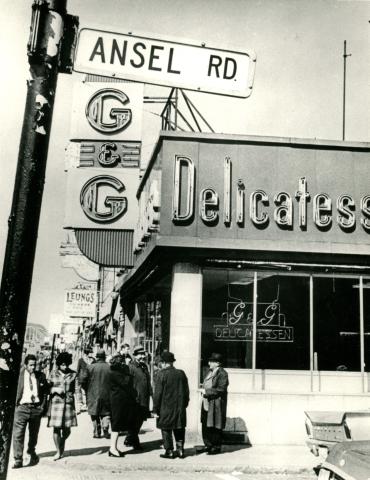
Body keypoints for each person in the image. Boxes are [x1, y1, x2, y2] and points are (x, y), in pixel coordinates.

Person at [12, 354, 49, 469]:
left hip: (35, 409)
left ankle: (31, 451)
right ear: (25, 365)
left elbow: (46, 391)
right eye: (31, 365)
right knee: (18, 435)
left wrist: (42, 407)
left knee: (34, 435)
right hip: (22, 408)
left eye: (35, 365)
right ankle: (18, 459)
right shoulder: (19, 376)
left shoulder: (40, 376)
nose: (33, 367)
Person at [153, 351, 189, 459]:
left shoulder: (161, 374)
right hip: (179, 407)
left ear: (163, 363)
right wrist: (184, 404)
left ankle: (169, 451)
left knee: (166, 428)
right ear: (172, 362)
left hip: (166, 407)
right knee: (179, 427)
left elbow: (157, 394)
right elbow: (186, 392)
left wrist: (155, 409)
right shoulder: (181, 373)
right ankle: (180, 450)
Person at [47, 351, 78, 460]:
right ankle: (58, 451)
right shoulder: (53, 373)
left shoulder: (73, 374)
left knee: (67, 430)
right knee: (56, 428)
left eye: (66, 364)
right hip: (56, 404)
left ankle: (61, 442)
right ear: (59, 364)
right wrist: (54, 389)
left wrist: (78, 404)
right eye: (62, 364)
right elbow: (46, 388)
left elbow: (76, 390)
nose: (64, 367)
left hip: (68, 404)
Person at [106, 354, 137, 457]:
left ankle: (113, 448)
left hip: (117, 401)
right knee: (116, 424)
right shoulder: (115, 373)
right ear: (119, 363)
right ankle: (112, 448)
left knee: (117, 424)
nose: (124, 364)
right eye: (123, 362)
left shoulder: (114, 372)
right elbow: (126, 382)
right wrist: (129, 371)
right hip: (117, 402)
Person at [201, 352, 229, 455]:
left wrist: (207, 392)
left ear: (217, 363)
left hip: (216, 403)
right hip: (207, 402)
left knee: (216, 424)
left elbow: (221, 389)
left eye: (211, 361)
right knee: (205, 424)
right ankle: (208, 445)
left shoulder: (223, 373)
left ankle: (216, 447)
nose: (209, 363)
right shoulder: (210, 372)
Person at [125, 345, 151, 450]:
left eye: (143, 354)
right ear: (135, 355)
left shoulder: (144, 366)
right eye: (140, 354)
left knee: (140, 420)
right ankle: (135, 442)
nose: (142, 356)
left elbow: (147, 381)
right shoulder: (131, 367)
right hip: (135, 399)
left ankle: (129, 438)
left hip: (144, 398)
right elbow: (128, 383)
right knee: (135, 421)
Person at [81, 348, 111, 439]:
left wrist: (87, 389)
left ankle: (96, 431)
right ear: (104, 357)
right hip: (107, 394)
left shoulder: (90, 367)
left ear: (97, 357)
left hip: (92, 394)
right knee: (106, 412)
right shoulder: (110, 367)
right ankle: (105, 428)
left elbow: (82, 380)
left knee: (94, 413)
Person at [75, 347, 94, 413]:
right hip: (83, 379)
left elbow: (78, 370)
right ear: (87, 353)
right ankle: (83, 405)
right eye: (91, 352)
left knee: (86, 392)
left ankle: (86, 404)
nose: (92, 354)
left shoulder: (91, 360)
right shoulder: (81, 360)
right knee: (82, 392)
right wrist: (77, 377)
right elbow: (78, 369)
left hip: (87, 378)